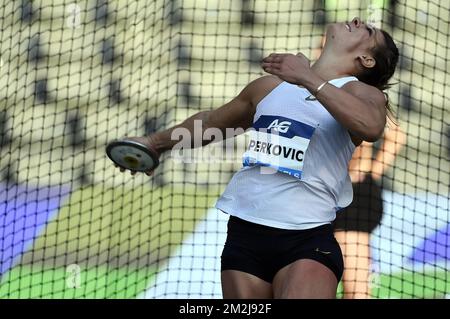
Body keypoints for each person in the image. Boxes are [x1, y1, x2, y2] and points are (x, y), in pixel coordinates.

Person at [114, 17, 399, 298]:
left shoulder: (361, 92)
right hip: (245, 234)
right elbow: (211, 123)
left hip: (306, 238)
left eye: (369, 30)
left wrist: (307, 77)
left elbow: (371, 126)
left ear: (367, 59)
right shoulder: (268, 87)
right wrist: (155, 143)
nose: (358, 19)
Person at [334, 121, 406, 298]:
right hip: (322, 192)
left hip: (353, 200)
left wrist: (370, 174)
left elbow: (396, 135)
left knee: (356, 290)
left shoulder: (361, 96)